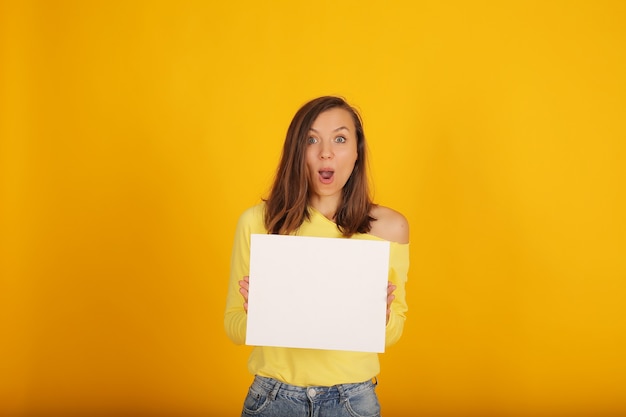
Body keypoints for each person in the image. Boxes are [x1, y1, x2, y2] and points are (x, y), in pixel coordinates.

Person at [224, 95, 409, 417]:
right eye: (312, 139)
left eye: (340, 139)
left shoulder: (389, 228)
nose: (326, 152)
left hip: (353, 399)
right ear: (297, 152)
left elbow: (393, 332)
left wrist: (382, 318)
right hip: (273, 397)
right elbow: (233, 325)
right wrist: (261, 316)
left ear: (356, 153)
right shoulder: (258, 222)